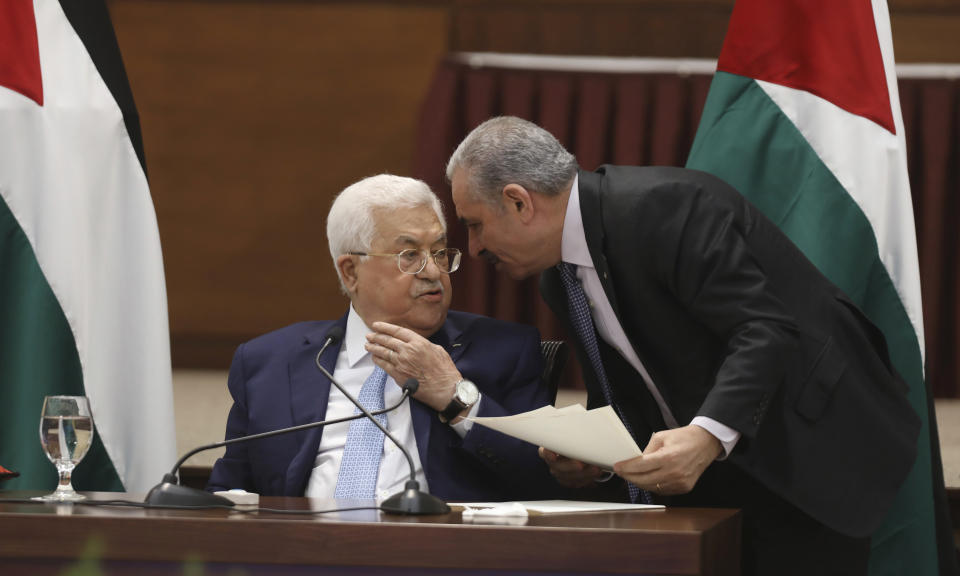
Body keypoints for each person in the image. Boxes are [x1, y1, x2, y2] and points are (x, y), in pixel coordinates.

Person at [446, 116, 921, 575]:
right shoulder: (558, 277)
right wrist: (597, 459)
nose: (473, 248)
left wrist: (708, 435)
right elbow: (629, 393)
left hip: (811, 455)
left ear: (518, 203)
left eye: (475, 224)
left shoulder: (664, 206)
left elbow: (763, 329)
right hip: (713, 488)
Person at [207, 174, 558, 502]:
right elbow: (230, 489)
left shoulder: (505, 351)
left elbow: (539, 475)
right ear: (350, 271)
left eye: (439, 252)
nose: (433, 271)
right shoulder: (268, 362)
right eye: (409, 256)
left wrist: (456, 398)